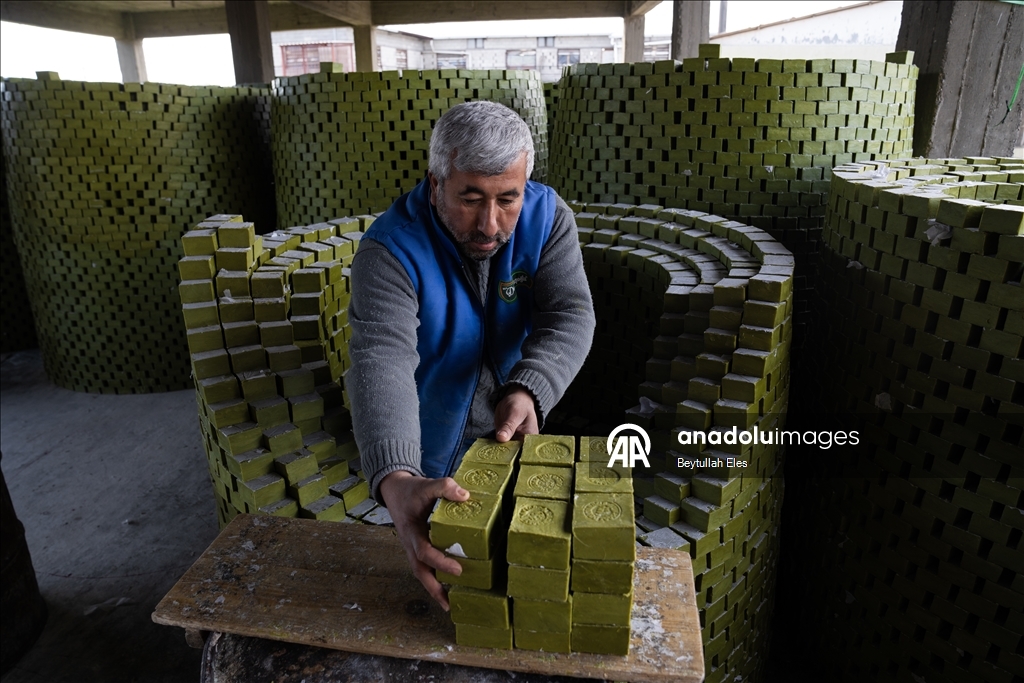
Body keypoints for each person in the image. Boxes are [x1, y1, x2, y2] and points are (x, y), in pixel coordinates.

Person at [347, 100, 595, 610]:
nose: (490, 224)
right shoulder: (391, 249)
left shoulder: (547, 220)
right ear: (437, 184)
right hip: (426, 441)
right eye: (471, 198)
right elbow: (382, 358)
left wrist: (531, 385)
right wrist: (397, 479)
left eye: (508, 198)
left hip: (512, 425)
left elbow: (570, 314)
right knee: (453, 585)